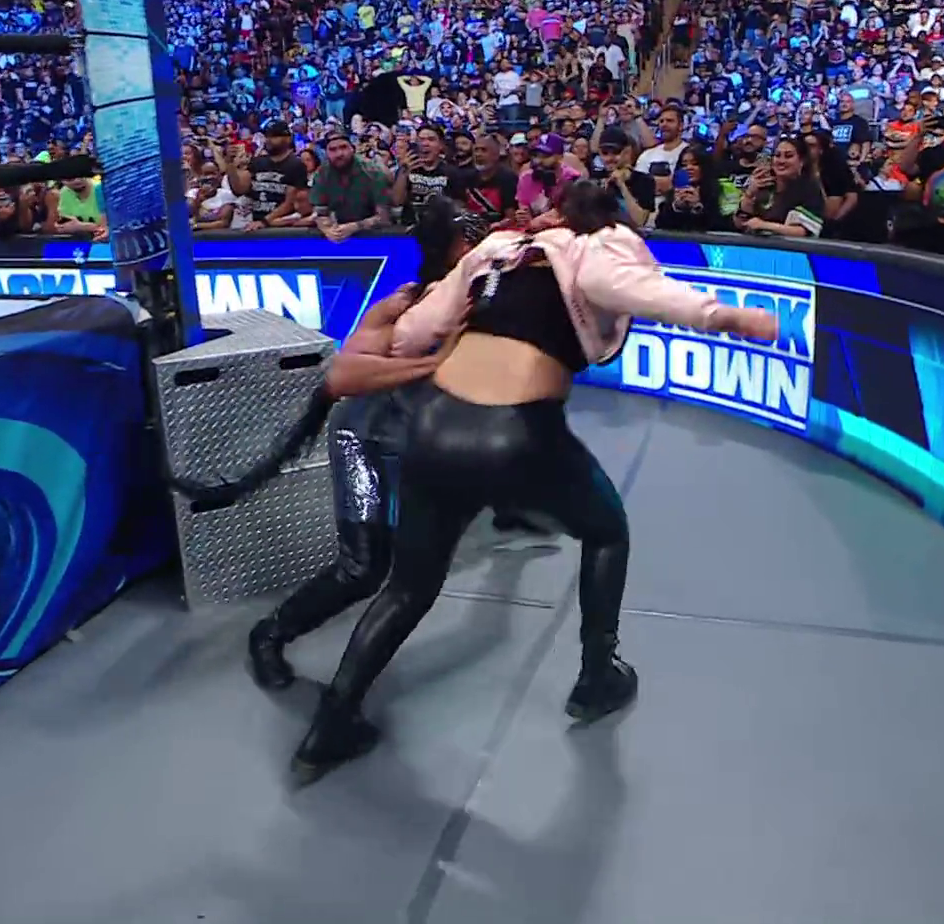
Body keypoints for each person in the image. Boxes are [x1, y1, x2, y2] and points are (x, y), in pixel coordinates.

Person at [289, 181, 780, 784]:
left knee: (409, 587)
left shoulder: (498, 252)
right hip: (512, 431)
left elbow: (413, 332)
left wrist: (431, 324)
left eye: (550, 206)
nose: (540, 212)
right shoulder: (586, 244)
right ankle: (597, 676)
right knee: (607, 531)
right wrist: (723, 315)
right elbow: (636, 288)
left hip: (435, 425)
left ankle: (332, 722)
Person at [246, 201, 492, 691]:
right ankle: (270, 634)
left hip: (419, 447)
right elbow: (342, 375)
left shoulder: (481, 301)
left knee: (416, 570)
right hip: (367, 440)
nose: (478, 247)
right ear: (452, 247)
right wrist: (430, 364)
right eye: (468, 238)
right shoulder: (405, 305)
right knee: (364, 569)